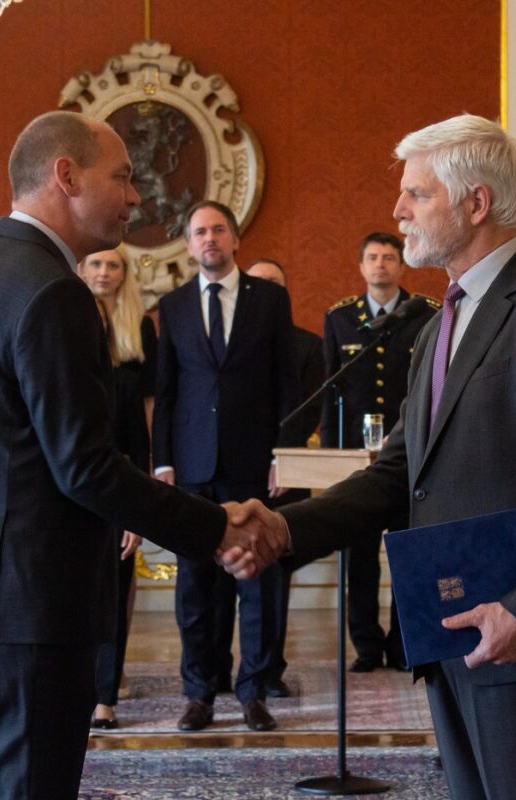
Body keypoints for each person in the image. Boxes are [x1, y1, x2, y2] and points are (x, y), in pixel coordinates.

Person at [231, 114, 516, 799]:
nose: (397, 210)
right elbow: (398, 472)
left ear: (476, 203)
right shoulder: (440, 320)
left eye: (417, 194)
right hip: (454, 635)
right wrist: (285, 527)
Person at [0, 110, 283, 799]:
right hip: (30, 602)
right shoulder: (53, 291)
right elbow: (82, 465)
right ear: (66, 175)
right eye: (121, 177)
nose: (136, 198)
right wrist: (214, 529)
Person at [153, 201, 301, 733]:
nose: (209, 239)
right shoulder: (171, 308)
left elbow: (288, 384)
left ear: (235, 240)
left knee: (256, 583)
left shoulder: (270, 300)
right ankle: (200, 693)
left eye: (218, 229)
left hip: (253, 466)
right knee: (196, 590)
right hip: (192, 468)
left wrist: (284, 454)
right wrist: (163, 462)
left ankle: (253, 691)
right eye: (199, 232)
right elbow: (167, 392)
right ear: (189, 245)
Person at [320, 232, 438, 673]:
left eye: (390, 257)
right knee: (361, 560)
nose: (381, 265)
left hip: (411, 457)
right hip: (356, 461)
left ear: (402, 265)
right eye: (372, 257)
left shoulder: (426, 314)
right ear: (361, 266)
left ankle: (404, 643)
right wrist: (332, 459)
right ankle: (367, 646)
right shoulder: (340, 319)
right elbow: (332, 393)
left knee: (407, 555)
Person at [77, 245, 156, 729]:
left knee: (113, 590)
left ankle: (104, 695)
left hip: (118, 479)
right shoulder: (61, 325)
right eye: (96, 264)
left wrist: (138, 503)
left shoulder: (136, 337)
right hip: (67, 485)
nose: (104, 272)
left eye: (113, 265)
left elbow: (142, 423)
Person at [245, 257, 324, 697]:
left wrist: (284, 459)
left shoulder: (308, 345)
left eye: (275, 284)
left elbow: (306, 410)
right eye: (257, 285)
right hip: (232, 473)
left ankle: (267, 669)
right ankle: (215, 671)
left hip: (283, 473)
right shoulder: (229, 343)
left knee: (273, 576)